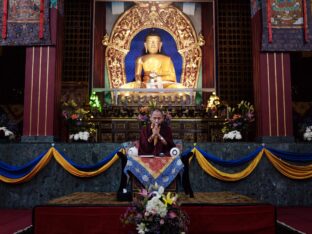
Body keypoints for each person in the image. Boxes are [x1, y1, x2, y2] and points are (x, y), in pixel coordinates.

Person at [120, 32, 186, 90]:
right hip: (146, 84)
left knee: (178, 87)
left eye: (155, 41)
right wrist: (138, 80)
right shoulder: (140, 59)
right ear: (145, 45)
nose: (153, 44)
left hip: (164, 84)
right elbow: (137, 74)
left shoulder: (167, 59)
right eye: (150, 41)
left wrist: (157, 78)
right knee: (125, 88)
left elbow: (172, 77)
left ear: (160, 45)